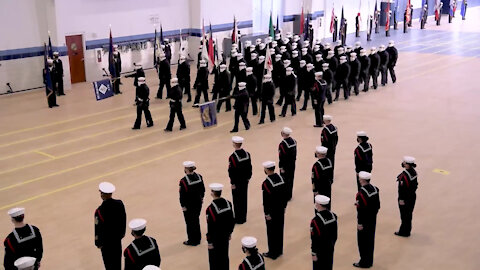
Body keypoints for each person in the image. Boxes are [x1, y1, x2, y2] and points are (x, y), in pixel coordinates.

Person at [95, 182, 126, 270]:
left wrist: (98, 243)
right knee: (117, 263)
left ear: (103, 194)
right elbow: (123, 220)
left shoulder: (99, 211)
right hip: (116, 240)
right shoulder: (119, 204)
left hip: (106, 244)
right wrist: (122, 234)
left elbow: (98, 229)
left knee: (109, 265)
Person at [261, 161, 288, 260]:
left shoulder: (267, 184)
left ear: (266, 170)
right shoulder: (281, 178)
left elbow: (266, 200)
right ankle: (279, 250)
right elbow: (285, 194)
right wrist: (284, 206)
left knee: (272, 232)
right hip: (280, 209)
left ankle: (273, 252)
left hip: (272, 212)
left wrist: (267, 213)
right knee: (279, 229)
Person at [353, 172, 380, 268]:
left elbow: (361, 210)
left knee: (363, 242)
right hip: (372, 219)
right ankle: (369, 260)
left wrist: (360, 223)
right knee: (370, 240)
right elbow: (377, 206)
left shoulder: (361, 194)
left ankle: (364, 262)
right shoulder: (375, 189)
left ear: (362, 180)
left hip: (364, 221)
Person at [206, 183, 235, 270]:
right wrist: (230, 232)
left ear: (212, 193)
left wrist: (209, 241)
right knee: (224, 256)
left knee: (214, 259)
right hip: (225, 235)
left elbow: (211, 226)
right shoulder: (228, 203)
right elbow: (232, 220)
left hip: (216, 238)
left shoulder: (211, 209)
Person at [179, 161, 205, 245]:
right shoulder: (199, 177)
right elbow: (202, 190)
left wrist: (183, 205)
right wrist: (201, 198)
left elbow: (182, 195)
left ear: (186, 169)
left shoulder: (183, 181)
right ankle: (198, 238)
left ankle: (192, 240)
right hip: (198, 203)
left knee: (190, 223)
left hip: (189, 205)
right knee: (196, 220)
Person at [228, 136, 253, 224]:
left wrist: (232, 182)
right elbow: (249, 167)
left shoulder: (233, 157)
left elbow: (232, 171)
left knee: (237, 199)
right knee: (244, 198)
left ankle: (238, 218)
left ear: (234, 144)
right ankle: (243, 217)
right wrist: (248, 177)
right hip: (245, 180)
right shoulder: (247, 154)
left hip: (237, 181)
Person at [310, 195, 338, 270]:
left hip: (320, 251)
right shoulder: (334, 216)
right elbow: (335, 234)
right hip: (330, 247)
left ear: (319, 205)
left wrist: (313, 253)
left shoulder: (315, 221)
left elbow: (314, 239)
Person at [395, 156, 418, 237]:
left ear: (407, 165)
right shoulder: (414, 172)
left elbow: (402, 189)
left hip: (405, 199)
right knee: (409, 215)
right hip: (412, 197)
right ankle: (407, 230)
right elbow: (415, 185)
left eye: (404, 162)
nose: (403, 163)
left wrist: (401, 199)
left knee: (404, 216)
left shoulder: (404, 176)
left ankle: (404, 232)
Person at [278, 127, 297, 201]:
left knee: (285, 180)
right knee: (291, 178)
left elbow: (281, 156)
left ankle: (285, 195)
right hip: (292, 163)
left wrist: (281, 166)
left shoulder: (282, 145)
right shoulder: (294, 141)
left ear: (283, 134)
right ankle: (289, 195)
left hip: (285, 165)